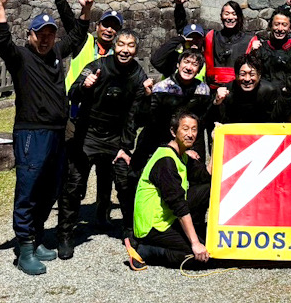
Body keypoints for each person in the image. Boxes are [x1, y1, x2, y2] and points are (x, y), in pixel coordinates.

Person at [0, 0, 91, 276]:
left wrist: (85, 10)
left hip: (56, 132)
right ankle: (24, 249)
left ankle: (35, 239)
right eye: (41, 34)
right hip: (30, 133)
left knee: (50, 189)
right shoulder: (21, 58)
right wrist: (1, 7)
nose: (46, 39)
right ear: (30, 35)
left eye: (50, 34)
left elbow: (77, 36)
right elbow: (1, 42)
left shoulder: (56, 55)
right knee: (29, 189)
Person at [57, 30, 153, 259]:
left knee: (126, 184)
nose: (125, 50)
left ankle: (130, 231)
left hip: (115, 138)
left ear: (136, 50)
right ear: (114, 46)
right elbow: (73, 93)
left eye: (130, 45)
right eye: (121, 44)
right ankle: (65, 234)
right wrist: (85, 85)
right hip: (87, 133)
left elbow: (135, 116)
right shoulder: (97, 65)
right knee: (73, 186)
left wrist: (125, 146)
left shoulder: (139, 75)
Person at [63, 7, 126, 228]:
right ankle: (71, 213)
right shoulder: (85, 43)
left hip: (105, 122)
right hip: (77, 116)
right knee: (76, 166)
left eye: (114, 27)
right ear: (97, 26)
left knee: (106, 169)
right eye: (106, 24)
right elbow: (70, 22)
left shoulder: (119, 55)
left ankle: (102, 212)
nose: (109, 30)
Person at [127, 111, 211, 270]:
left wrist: (217, 141)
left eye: (194, 129)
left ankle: (196, 231)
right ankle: (145, 250)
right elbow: (178, 205)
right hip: (153, 226)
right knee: (200, 258)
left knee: (207, 189)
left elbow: (206, 176)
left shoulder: (182, 154)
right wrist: (195, 243)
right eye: (185, 129)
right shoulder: (165, 161)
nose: (190, 134)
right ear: (173, 132)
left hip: (167, 217)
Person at [129, 50, 213, 197]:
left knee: (198, 179)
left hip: (187, 140)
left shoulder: (203, 90)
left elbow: (201, 120)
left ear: (199, 70)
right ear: (178, 65)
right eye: (186, 62)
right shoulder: (162, 88)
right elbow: (151, 121)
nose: (189, 67)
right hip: (158, 140)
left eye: (194, 65)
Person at [217, 54, 291, 123]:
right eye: (242, 74)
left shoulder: (269, 91)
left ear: (259, 76)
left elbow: (277, 118)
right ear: (236, 75)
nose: (247, 79)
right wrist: (217, 102)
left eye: (252, 74)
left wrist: (286, 95)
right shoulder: (226, 92)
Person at [150, 0, 206, 79]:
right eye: (190, 39)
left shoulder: (207, 60)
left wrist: (179, 7)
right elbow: (156, 60)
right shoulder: (175, 58)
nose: (193, 42)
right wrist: (178, 39)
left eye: (197, 38)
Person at [203, 0, 259, 92]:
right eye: (227, 14)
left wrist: (254, 52)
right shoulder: (210, 36)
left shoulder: (250, 40)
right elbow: (188, 34)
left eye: (234, 14)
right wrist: (179, 6)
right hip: (213, 89)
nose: (230, 17)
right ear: (221, 16)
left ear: (239, 17)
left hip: (238, 90)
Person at [253, 6, 291, 94]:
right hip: (267, 95)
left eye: (284, 25)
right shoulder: (262, 48)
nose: (280, 29)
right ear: (271, 26)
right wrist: (253, 53)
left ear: (290, 28)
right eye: (276, 24)